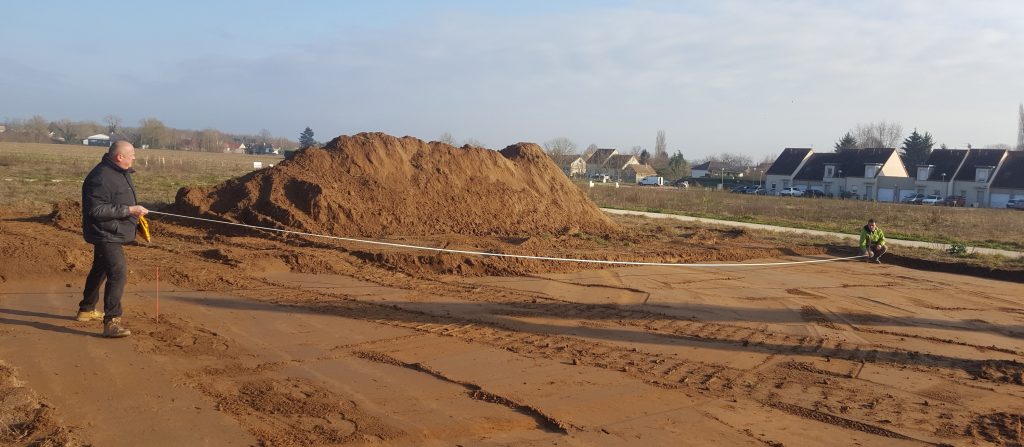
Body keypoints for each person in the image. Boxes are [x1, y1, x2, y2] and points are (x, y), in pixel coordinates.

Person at [78, 140, 149, 338]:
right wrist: (129, 210)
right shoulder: (101, 177)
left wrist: (134, 214)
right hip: (105, 232)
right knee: (118, 272)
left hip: (112, 230)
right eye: (132, 154)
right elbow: (96, 210)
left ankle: (86, 309)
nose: (135, 157)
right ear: (120, 157)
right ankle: (112, 321)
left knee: (100, 268)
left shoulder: (119, 172)